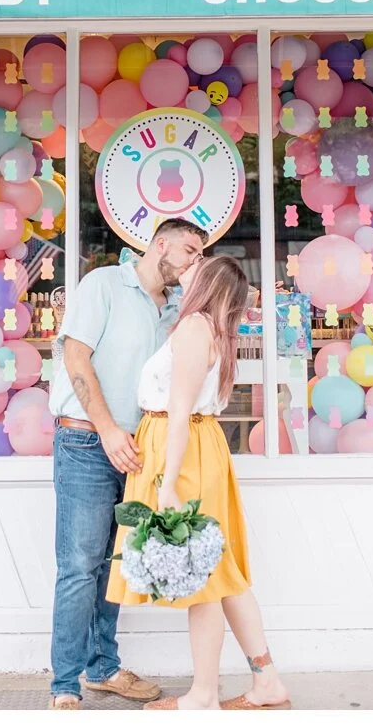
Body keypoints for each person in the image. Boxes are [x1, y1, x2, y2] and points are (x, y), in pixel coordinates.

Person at [107, 256, 291, 711]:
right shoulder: (212, 330)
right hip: (196, 447)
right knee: (220, 572)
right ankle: (266, 680)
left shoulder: (195, 328)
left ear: (207, 282)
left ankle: (204, 694)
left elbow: (179, 412)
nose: (188, 265)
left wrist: (168, 483)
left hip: (183, 450)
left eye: (197, 263)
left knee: (204, 577)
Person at [48, 219, 208, 710]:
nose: (194, 261)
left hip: (142, 450)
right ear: (160, 244)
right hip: (86, 442)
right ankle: (65, 684)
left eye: (200, 254)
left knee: (114, 565)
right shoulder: (104, 284)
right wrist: (108, 429)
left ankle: (104, 668)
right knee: (79, 567)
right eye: (189, 250)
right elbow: (76, 358)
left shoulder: (179, 308)